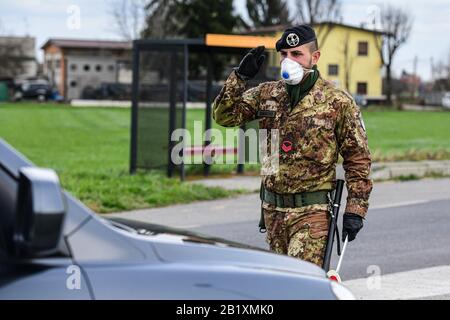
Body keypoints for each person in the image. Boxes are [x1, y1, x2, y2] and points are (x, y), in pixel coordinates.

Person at [212, 25, 373, 267]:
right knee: (280, 286)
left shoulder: (337, 101)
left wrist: (355, 208)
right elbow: (224, 116)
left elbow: (357, 158)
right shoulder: (267, 93)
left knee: (301, 284)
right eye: (284, 55)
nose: (289, 61)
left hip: (312, 213)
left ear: (314, 57)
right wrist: (239, 77)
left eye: (296, 54)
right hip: (272, 211)